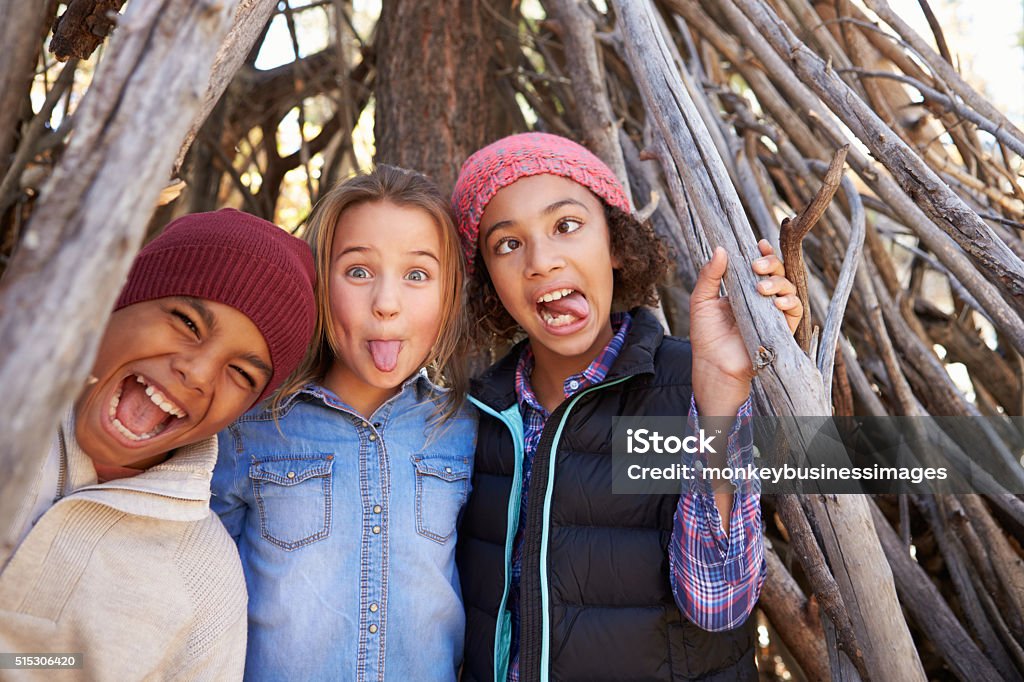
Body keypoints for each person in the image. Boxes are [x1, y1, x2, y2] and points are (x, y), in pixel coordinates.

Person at [451, 133, 803, 681]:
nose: (541, 261)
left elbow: (719, 605)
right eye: (507, 244)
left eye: (566, 226)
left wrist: (717, 401)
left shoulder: (686, 387)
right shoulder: (475, 416)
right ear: (490, 281)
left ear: (615, 244)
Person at [0, 208, 317, 680]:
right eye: (188, 323)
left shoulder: (205, 581)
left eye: (241, 374)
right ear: (118, 300)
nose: (199, 372)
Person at [211, 165, 476, 681]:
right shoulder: (249, 430)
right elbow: (194, 591)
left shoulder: (466, 429)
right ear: (320, 283)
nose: (386, 304)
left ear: (449, 296)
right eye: (358, 271)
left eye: (417, 275)